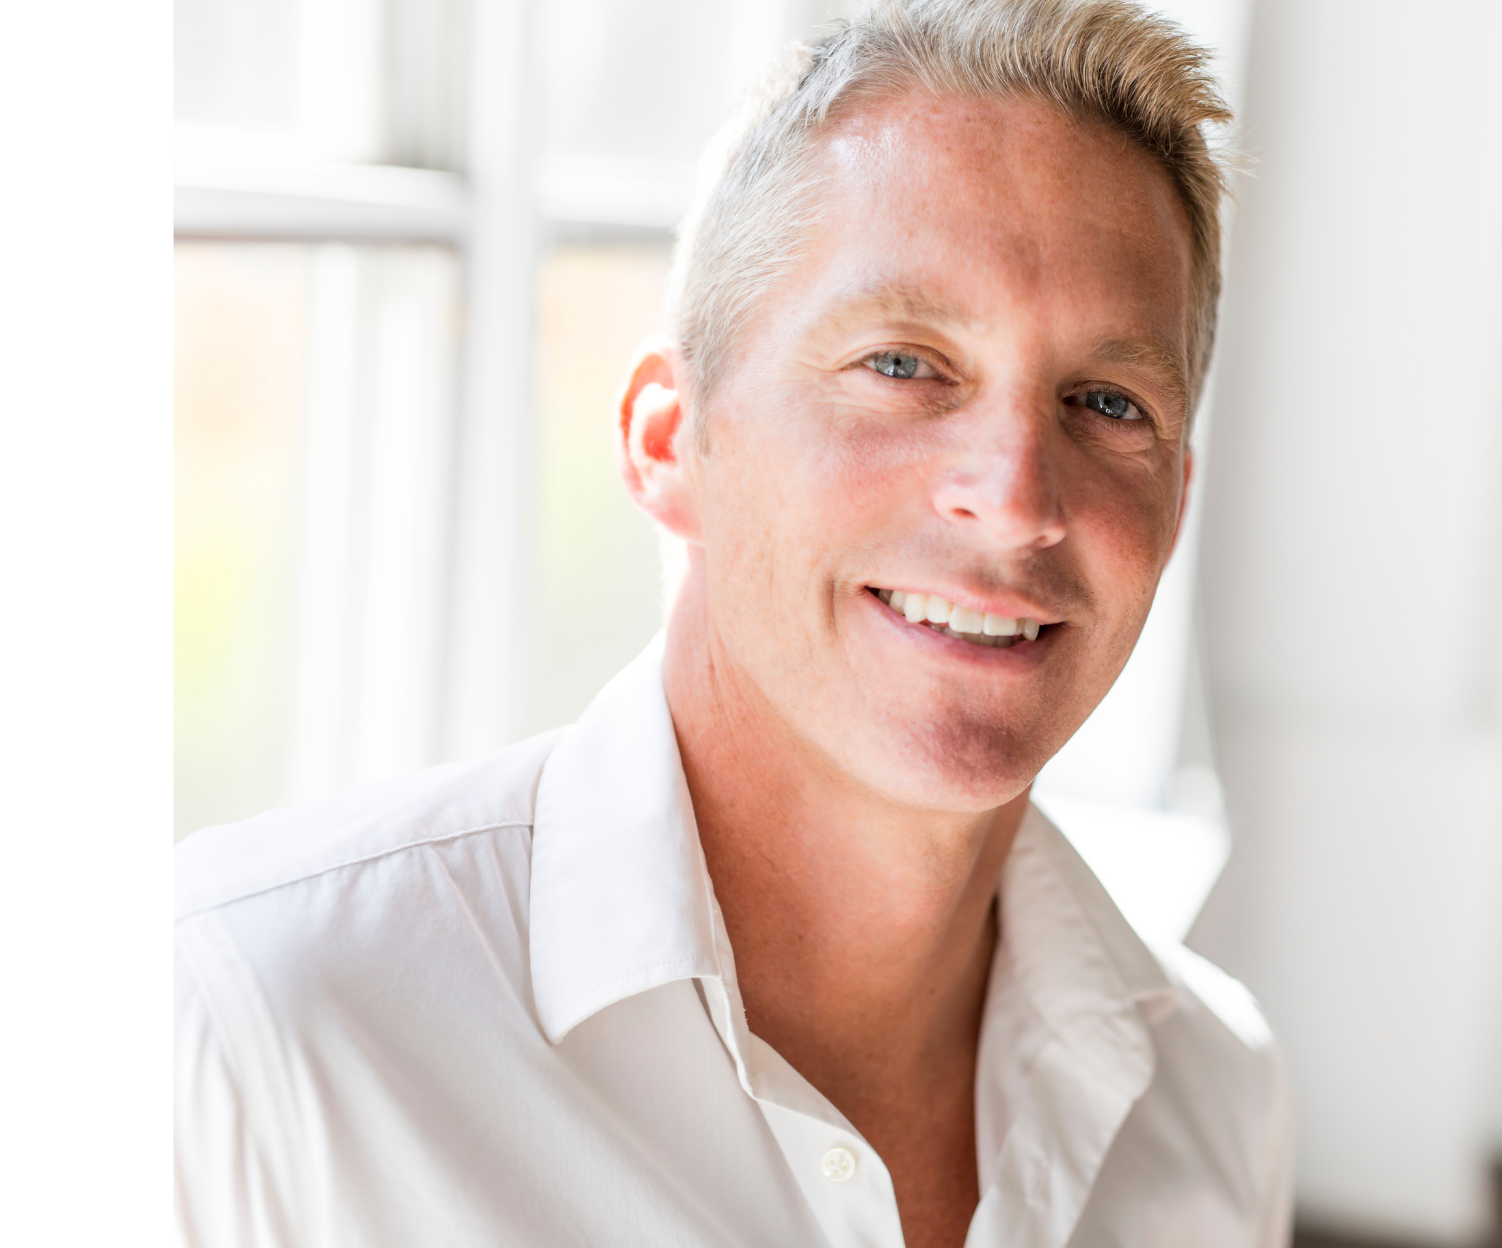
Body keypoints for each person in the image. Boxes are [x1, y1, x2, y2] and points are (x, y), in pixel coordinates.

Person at [171, 1, 1292, 1244]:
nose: (1020, 498)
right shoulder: (252, 1027)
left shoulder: (1214, 1096)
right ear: (670, 440)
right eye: (905, 364)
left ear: (1172, 511)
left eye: (1105, 401)